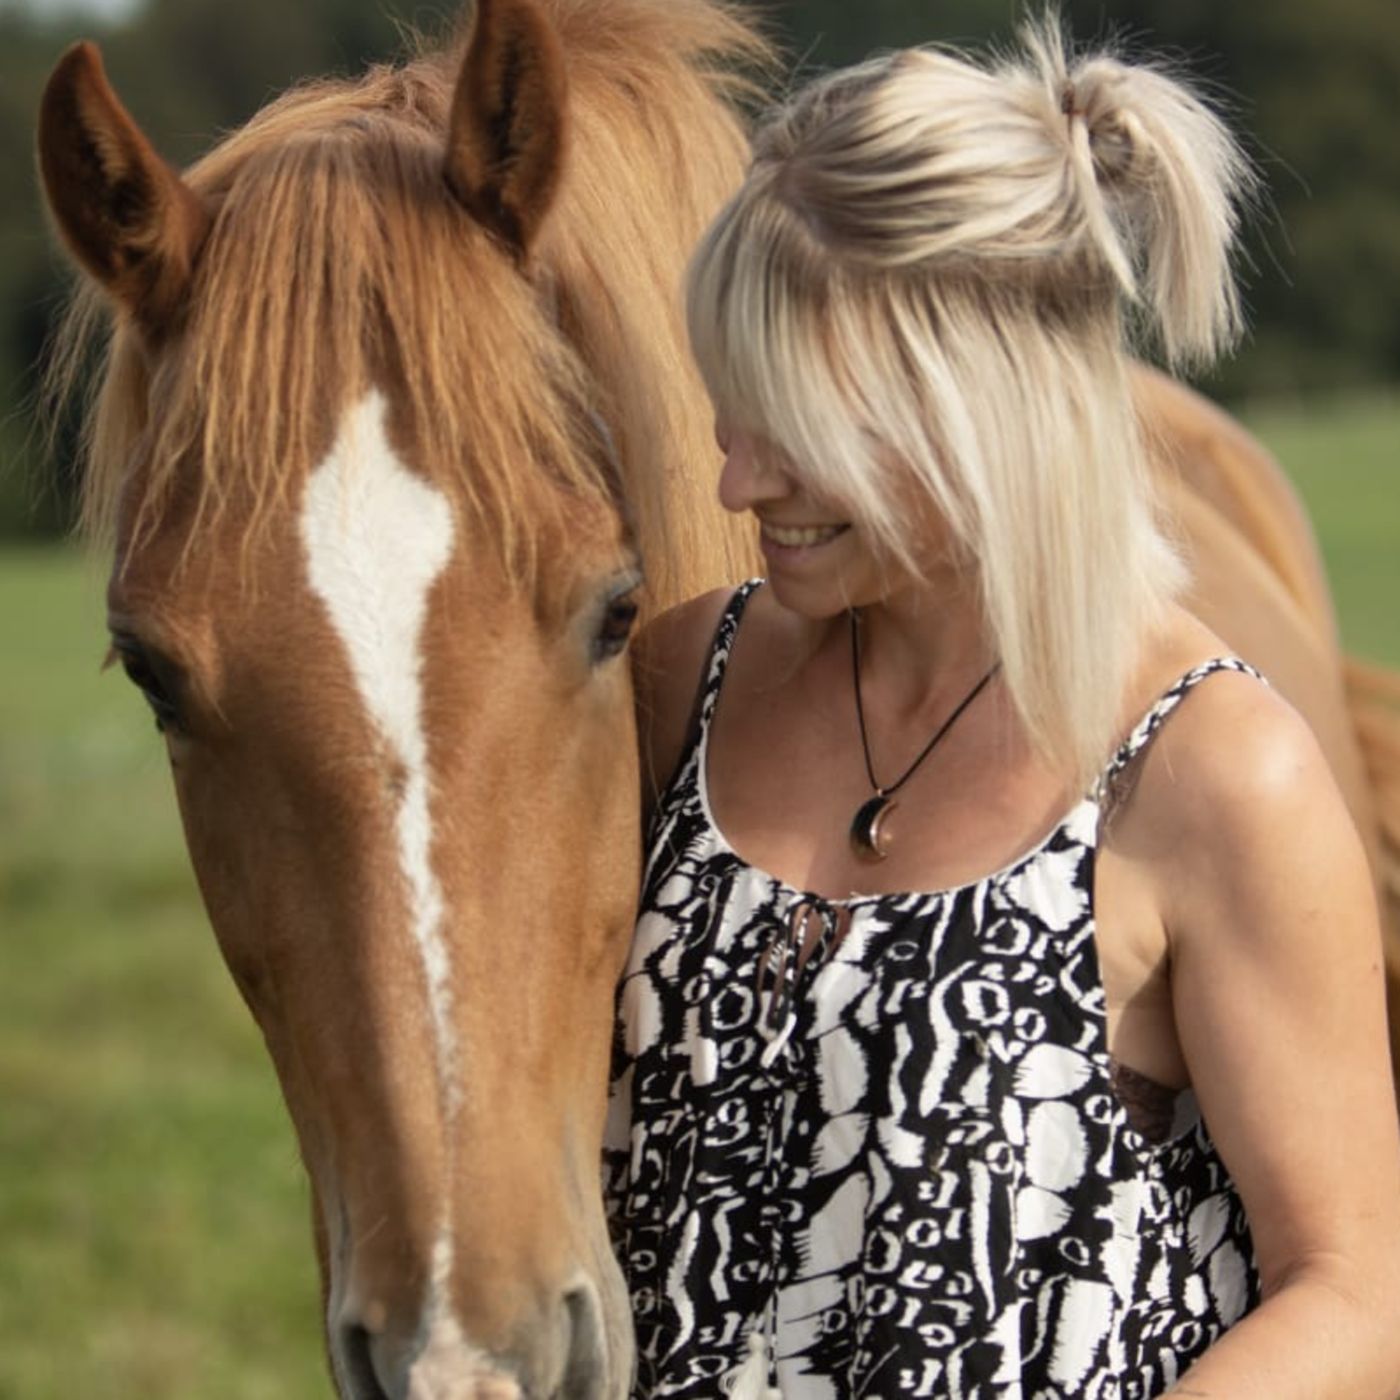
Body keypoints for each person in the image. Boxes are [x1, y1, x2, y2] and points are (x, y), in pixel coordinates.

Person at [602, 18, 1400, 1400]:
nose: (734, 486)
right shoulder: (678, 686)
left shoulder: (1210, 772)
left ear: (984, 398)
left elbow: (1359, 1296)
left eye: (791, 426)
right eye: (727, 415)